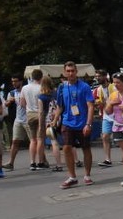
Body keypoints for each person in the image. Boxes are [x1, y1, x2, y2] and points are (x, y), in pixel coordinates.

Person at [53, 61, 96, 189]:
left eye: (73, 71)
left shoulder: (84, 86)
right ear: (65, 72)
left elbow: (90, 106)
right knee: (66, 148)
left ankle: (87, 175)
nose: (71, 73)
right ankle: (72, 177)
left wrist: (88, 124)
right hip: (67, 122)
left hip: (82, 123)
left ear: (76, 72)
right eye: (68, 71)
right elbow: (60, 106)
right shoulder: (62, 87)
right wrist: (55, 119)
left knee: (86, 148)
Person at [19, 69, 47, 170]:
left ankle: (32, 162)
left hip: (29, 113)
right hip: (40, 113)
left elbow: (22, 103)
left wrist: (28, 107)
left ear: (32, 76)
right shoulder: (42, 88)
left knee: (32, 139)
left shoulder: (25, 88)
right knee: (40, 139)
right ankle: (40, 161)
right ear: (41, 77)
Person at [2, 74, 28, 171]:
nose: (14, 83)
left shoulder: (26, 90)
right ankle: (11, 162)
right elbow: (6, 104)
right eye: (12, 81)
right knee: (15, 141)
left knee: (34, 141)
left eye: (16, 81)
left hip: (28, 119)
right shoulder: (12, 93)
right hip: (18, 119)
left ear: (21, 81)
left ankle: (42, 160)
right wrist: (9, 102)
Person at [39, 76, 63, 171]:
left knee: (54, 142)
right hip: (60, 118)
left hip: (49, 120)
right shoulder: (56, 93)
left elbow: (41, 112)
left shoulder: (41, 97)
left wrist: (41, 125)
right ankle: (76, 160)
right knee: (67, 142)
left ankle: (59, 164)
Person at [93, 69, 115, 168]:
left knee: (121, 138)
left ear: (105, 76)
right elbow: (96, 102)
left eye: (99, 76)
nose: (97, 78)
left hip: (116, 115)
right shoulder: (98, 90)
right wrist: (98, 104)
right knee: (105, 136)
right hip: (106, 115)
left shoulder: (113, 87)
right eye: (96, 76)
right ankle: (107, 159)